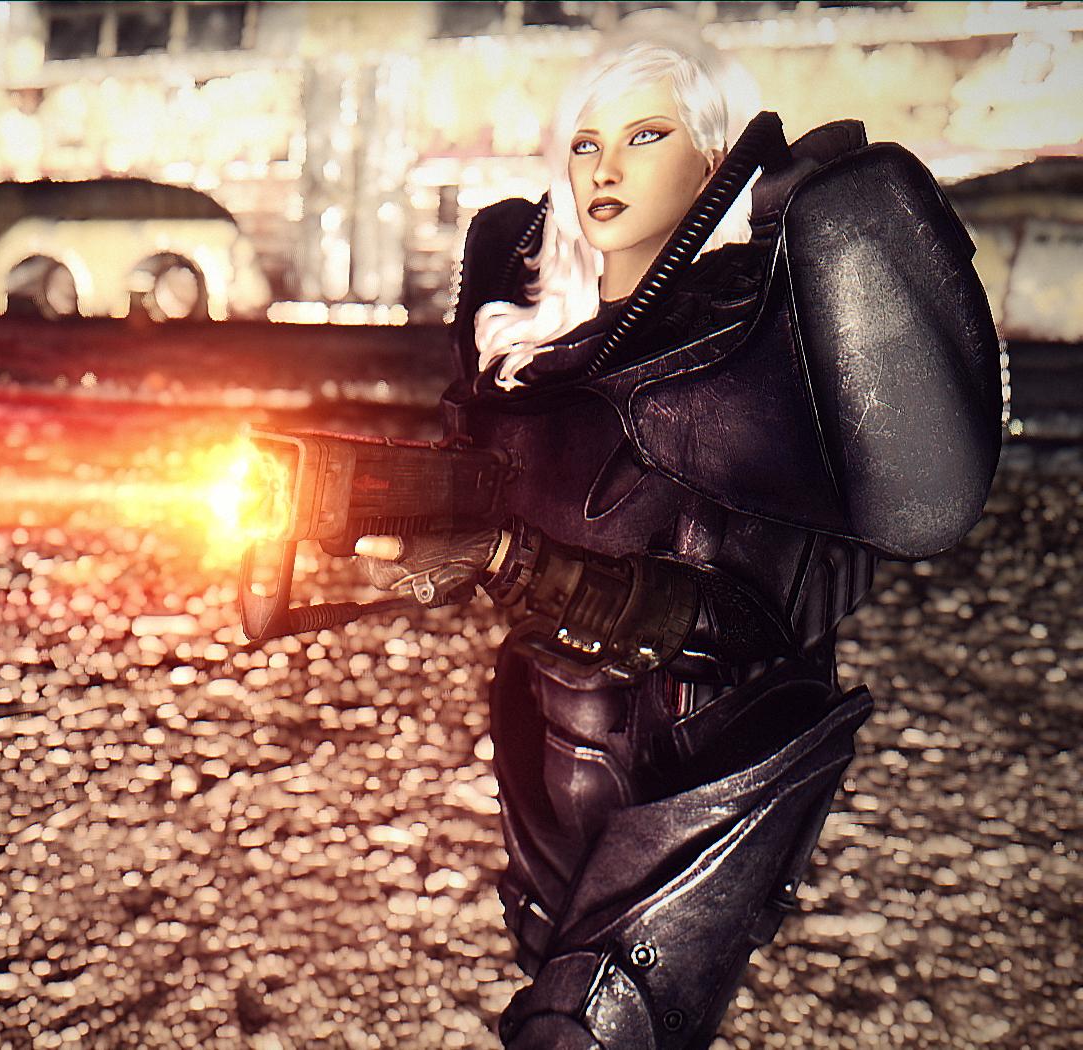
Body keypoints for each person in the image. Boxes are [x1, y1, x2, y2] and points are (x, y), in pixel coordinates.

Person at [361, 34, 1001, 1050]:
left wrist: (518, 563)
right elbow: (495, 510)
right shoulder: (527, 344)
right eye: (585, 144)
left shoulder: (755, 349)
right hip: (545, 744)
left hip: (699, 769)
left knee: (600, 1027)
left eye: (645, 136)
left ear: (713, 160)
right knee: (549, 989)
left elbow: (742, 622)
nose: (605, 169)